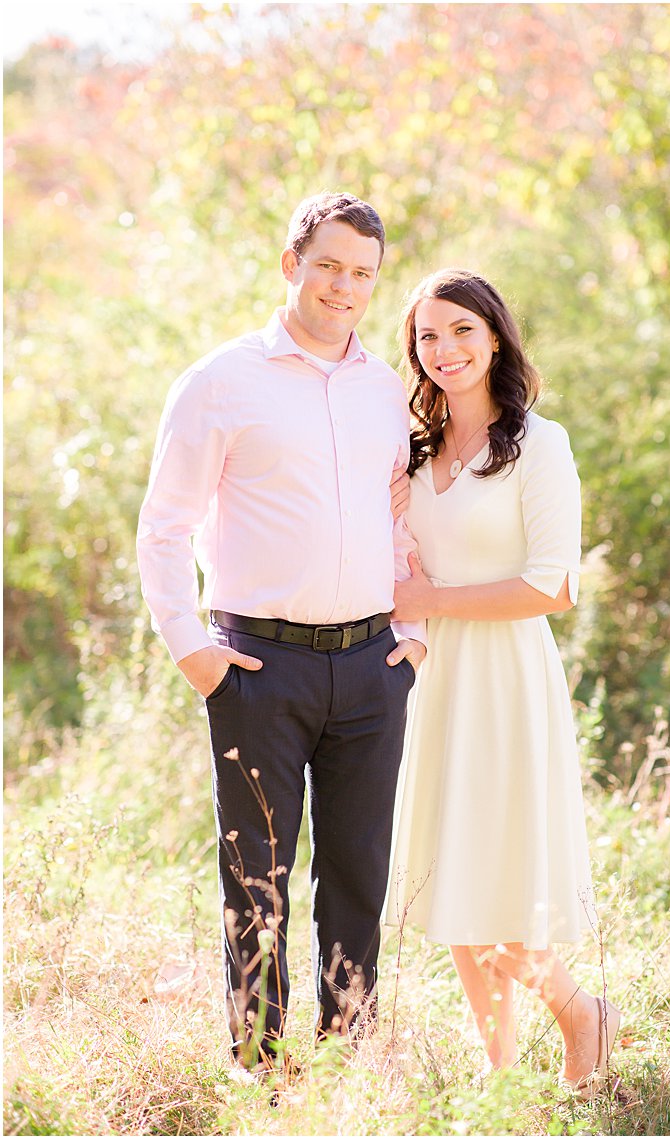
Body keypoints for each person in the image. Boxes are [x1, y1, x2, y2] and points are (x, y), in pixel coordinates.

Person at [137, 192, 427, 1076]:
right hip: (259, 667)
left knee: (356, 876)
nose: (345, 287)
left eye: (364, 274)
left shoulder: (387, 389)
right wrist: (195, 652)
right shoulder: (221, 381)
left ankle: (343, 1068)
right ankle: (258, 1069)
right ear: (291, 262)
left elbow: (402, 521)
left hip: (374, 669)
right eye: (330, 265)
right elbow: (162, 528)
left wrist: (411, 637)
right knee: (256, 881)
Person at [385, 268, 619, 1093]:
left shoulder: (538, 444)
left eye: (460, 330)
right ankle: (501, 1071)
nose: (443, 349)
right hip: (430, 680)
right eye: (426, 335)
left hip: (507, 678)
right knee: (449, 873)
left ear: (494, 337)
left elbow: (554, 586)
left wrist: (432, 598)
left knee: (504, 875)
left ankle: (581, 1011)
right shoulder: (409, 451)